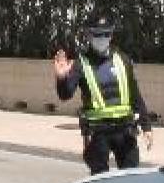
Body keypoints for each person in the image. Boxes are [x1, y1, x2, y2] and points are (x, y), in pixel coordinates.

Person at [53, 19, 153, 174]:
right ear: (89, 36)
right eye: (97, 35)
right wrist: (61, 78)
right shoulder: (82, 63)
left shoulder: (122, 59)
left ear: (111, 36)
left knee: (130, 178)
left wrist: (146, 126)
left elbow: (135, 94)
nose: (102, 38)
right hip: (98, 133)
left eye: (106, 34)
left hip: (125, 130)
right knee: (99, 181)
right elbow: (65, 95)